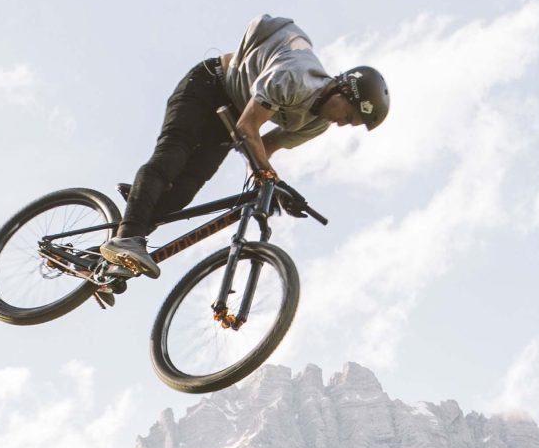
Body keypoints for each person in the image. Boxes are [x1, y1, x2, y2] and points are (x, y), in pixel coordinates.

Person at [98, 14, 388, 277]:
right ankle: (127, 237)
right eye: (348, 115)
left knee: (185, 189)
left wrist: (274, 189)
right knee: (172, 156)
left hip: (232, 114)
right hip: (209, 86)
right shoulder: (294, 77)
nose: (343, 124)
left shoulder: (317, 124)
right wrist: (271, 179)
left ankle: (112, 259)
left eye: (351, 123)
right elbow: (247, 129)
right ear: (342, 90)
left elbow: (265, 147)